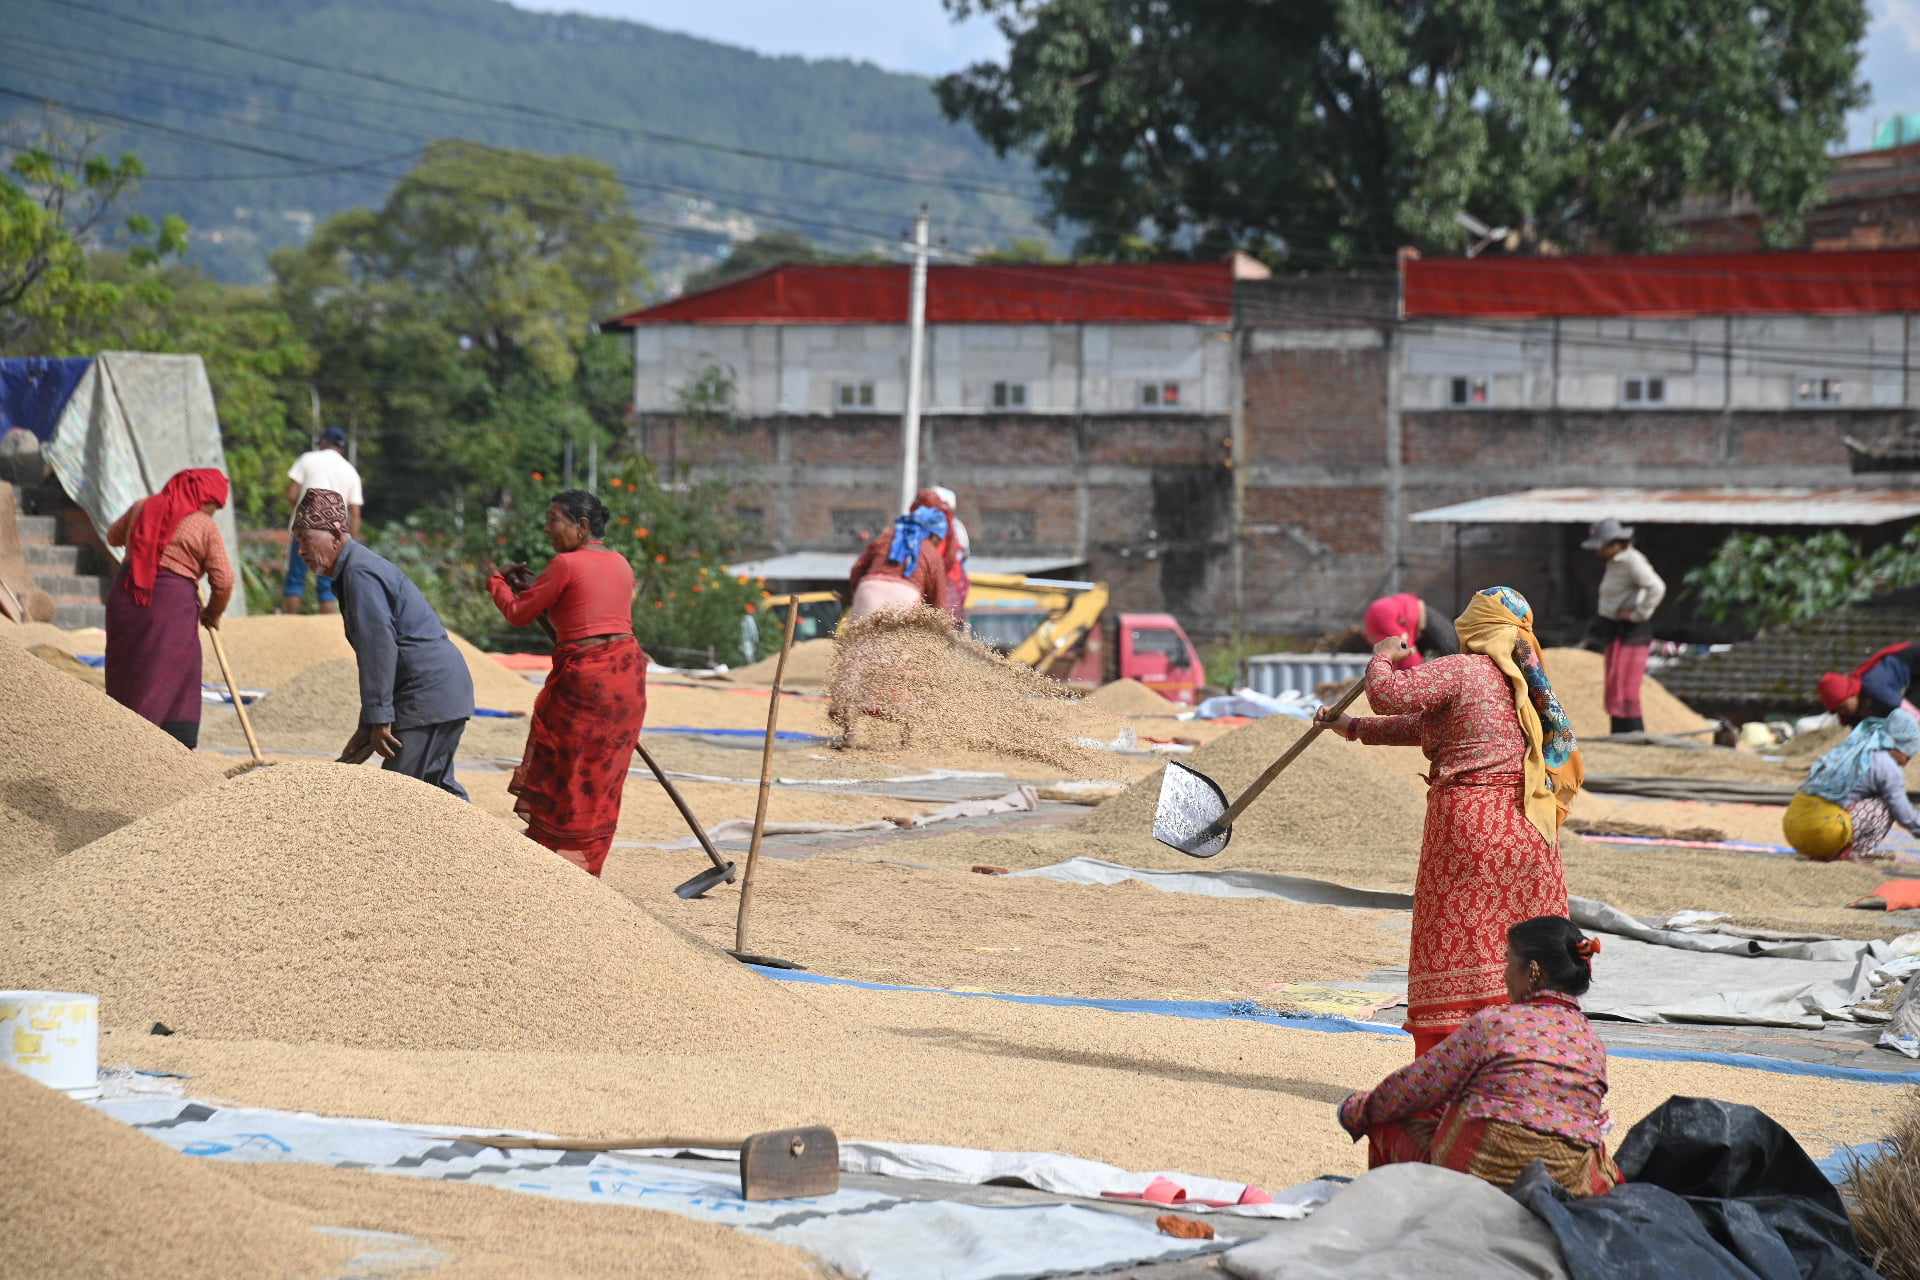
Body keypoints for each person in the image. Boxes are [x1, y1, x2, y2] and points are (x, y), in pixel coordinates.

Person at [1317, 586, 1582, 1054]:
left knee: (1458, 941)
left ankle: (1451, 1063)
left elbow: (1389, 695)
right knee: (1522, 950)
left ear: (1474, 628)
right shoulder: (1522, 683)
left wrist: (1380, 658)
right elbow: (1425, 726)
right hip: (1528, 835)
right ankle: (1524, 1057)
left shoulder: (1465, 670)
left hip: (1471, 829)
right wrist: (1353, 729)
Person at [1336, 916, 1622, 1197]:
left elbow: (1418, 1085)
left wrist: (1357, 1109)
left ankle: (1399, 1228)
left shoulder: (1495, 1023)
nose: (1504, 974)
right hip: (1565, 1183)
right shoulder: (1592, 1042)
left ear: (1533, 971)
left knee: (1390, 1119)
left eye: (1509, 962)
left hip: (1481, 1176)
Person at [487, 490, 647, 878]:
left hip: (587, 684)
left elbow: (519, 613)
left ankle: (563, 861)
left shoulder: (564, 564)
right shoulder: (621, 564)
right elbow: (580, 605)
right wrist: (532, 586)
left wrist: (496, 581)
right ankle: (580, 859)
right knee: (602, 773)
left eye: (554, 520)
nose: (547, 528)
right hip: (626, 680)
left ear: (582, 526)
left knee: (570, 766)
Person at [291, 488, 473, 798]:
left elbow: (378, 648)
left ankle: (477, 845)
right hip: (439, 691)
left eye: (306, 540)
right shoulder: (355, 569)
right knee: (435, 791)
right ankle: (480, 846)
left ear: (335, 535)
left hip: (427, 692)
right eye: (299, 542)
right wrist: (367, 726)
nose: (301, 551)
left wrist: (379, 718)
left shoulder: (359, 573)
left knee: (396, 798)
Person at [103, 468, 235, 748]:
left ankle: (119, 739)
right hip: (169, 604)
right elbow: (223, 580)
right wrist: (213, 612)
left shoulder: (142, 507)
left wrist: (144, 540)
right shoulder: (202, 525)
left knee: (129, 666)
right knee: (171, 669)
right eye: (214, 505)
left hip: (127, 597)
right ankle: (157, 745)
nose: (214, 512)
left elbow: (113, 537)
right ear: (204, 497)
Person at [1784, 709, 1920, 862]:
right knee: (1885, 804)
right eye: (1909, 753)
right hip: (1822, 832)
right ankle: (1852, 851)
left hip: (1793, 828)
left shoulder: (1853, 749)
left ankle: (1826, 849)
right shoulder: (1887, 766)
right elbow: (1904, 814)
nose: (1908, 760)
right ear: (1900, 745)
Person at [1582, 518, 1665, 735]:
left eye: (1601, 546)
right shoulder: (1614, 562)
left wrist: (1639, 614)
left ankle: (1634, 737)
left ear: (1615, 543)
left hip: (1633, 632)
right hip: (1615, 629)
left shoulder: (1632, 561)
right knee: (1615, 686)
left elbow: (1656, 587)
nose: (1598, 551)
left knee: (1627, 688)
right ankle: (1618, 736)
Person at [283, 426, 365, 615]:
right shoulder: (350, 471)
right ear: (341, 448)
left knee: (295, 578)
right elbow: (355, 513)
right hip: (333, 532)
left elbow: (292, 493)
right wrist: (351, 540)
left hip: (304, 526)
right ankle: (326, 635)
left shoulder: (307, 459)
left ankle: (287, 627)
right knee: (327, 584)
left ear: (324, 442)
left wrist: (302, 510)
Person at [846, 505, 950, 621]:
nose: (938, 544)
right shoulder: (932, 552)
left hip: (868, 591)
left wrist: (857, 597)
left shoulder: (885, 538)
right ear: (933, 535)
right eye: (939, 540)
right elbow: (939, 602)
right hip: (905, 598)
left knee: (860, 638)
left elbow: (857, 569)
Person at [1817, 643, 1920, 725]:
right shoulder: (1853, 709)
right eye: (1838, 710)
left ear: (1851, 693)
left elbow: (1910, 713)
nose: (1843, 712)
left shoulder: (1874, 686)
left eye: (1842, 706)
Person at [916, 485, 971, 624]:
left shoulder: (953, 527)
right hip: (939, 586)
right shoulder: (954, 526)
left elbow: (955, 558)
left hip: (945, 585)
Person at [1361, 593, 1460, 670]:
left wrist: (1419, 676)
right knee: (1453, 651)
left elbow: (1405, 649)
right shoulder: (1376, 620)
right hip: (1416, 614)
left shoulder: (1379, 618)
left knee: (1455, 651)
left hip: (1421, 616)